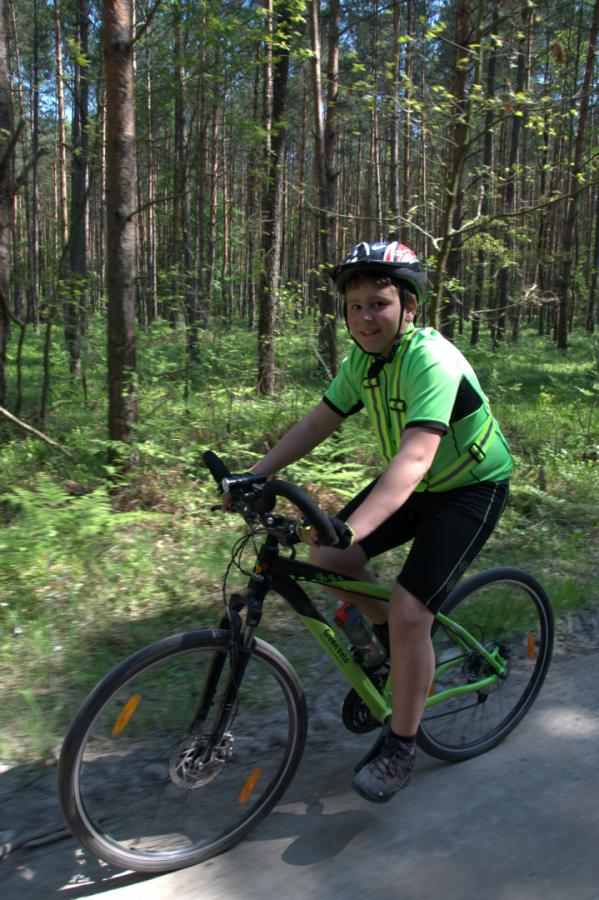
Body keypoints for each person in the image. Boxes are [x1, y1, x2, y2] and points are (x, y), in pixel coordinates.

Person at [244, 239, 513, 803]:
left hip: (469, 487)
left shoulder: (431, 360)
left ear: (409, 307)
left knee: (411, 610)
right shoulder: (362, 363)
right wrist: (254, 475)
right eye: (355, 306)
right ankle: (399, 653)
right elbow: (317, 423)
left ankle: (401, 746)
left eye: (379, 304)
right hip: (420, 484)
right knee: (328, 558)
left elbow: (414, 458)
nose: (366, 317)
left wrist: (355, 526)